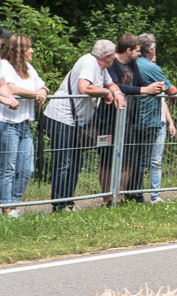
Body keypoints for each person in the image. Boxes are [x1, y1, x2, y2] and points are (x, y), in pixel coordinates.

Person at [43, 41, 125, 211]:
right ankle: (58, 205)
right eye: (114, 55)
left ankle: (68, 202)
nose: (115, 58)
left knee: (75, 162)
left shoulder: (101, 67)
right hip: (61, 118)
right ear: (108, 56)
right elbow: (83, 87)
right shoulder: (89, 63)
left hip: (76, 122)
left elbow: (110, 84)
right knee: (64, 163)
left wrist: (116, 93)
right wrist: (104, 93)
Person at [108, 34, 165, 204]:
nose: (140, 54)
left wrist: (154, 87)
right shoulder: (112, 64)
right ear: (128, 50)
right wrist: (145, 90)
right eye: (138, 51)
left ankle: (124, 195)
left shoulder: (132, 64)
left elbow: (139, 83)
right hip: (113, 118)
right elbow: (117, 85)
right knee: (112, 159)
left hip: (131, 118)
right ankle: (110, 198)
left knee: (130, 158)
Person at [0, 33, 47, 216]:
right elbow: (11, 89)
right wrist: (36, 94)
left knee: (27, 168)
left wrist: (42, 90)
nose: (32, 51)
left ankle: (13, 203)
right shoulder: (3, 65)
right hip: (8, 123)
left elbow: (43, 85)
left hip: (25, 123)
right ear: (20, 50)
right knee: (8, 168)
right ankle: (7, 208)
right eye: (29, 47)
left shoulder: (28, 67)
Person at [135, 34, 177, 203]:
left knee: (148, 160)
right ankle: (139, 195)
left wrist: (170, 121)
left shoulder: (133, 64)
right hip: (147, 120)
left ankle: (151, 194)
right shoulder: (150, 68)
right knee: (145, 160)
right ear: (152, 49)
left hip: (156, 119)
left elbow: (162, 95)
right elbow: (172, 90)